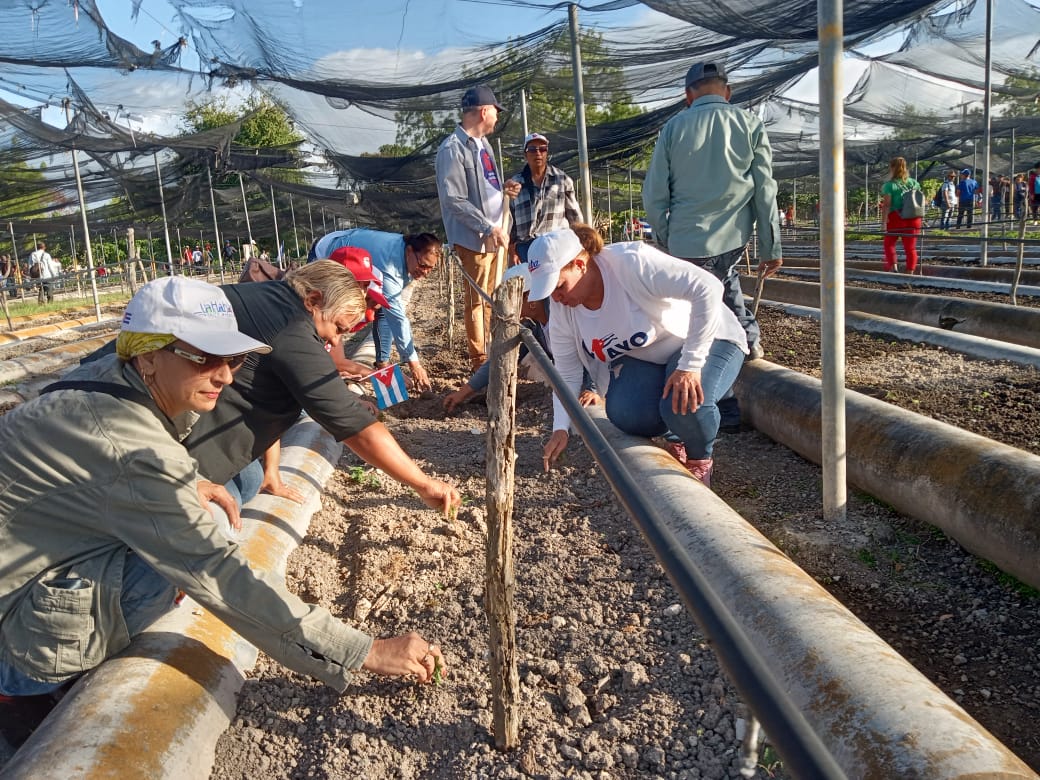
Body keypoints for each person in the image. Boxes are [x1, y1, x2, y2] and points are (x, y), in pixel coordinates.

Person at [0, 276, 445, 707]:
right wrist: (364, 650)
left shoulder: (104, 379)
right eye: (204, 358)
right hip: (14, 639)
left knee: (201, 505)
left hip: (23, 571)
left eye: (233, 360)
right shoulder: (137, 452)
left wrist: (189, 480)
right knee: (191, 548)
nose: (226, 377)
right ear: (148, 356)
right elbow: (218, 575)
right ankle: (30, 688)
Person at [177, 261, 460, 514]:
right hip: (178, 449)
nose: (336, 343)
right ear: (313, 300)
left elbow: (266, 389)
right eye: (338, 328)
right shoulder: (291, 327)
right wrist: (424, 484)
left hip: (179, 426)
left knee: (249, 478)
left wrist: (272, 471)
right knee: (215, 513)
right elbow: (353, 424)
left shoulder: (271, 299)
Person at [531, 225, 748, 487]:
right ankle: (677, 436)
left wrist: (690, 365)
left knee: (685, 404)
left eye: (559, 286)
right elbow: (566, 372)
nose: (556, 297)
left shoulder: (631, 264)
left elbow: (708, 287)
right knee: (625, 412)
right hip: (650, 357)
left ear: (579, 264)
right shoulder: (563, 306)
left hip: (705, 338)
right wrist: (560, 428)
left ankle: (699, 460)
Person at [642, 61, 783, 365]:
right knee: (724, 283)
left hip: (685, 241)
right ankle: (745, 343)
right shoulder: (750, 124)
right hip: (731, 239)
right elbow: (765, 191)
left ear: (688, 96)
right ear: (728, 92)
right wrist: (771, 247)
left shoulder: (673, 129)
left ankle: (703, 355)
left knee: (693, 303)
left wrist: (666, 239)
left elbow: (654, 195)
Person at [442, 265, 600, 413]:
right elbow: (499, 358)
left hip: (598, 383)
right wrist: (463, 393)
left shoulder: (564, 313)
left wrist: (592, 389)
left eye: (512, 300)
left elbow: (594, 351)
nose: (508, 307)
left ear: (530, 298)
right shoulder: (532, 326)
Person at [435, 84, 509, 371]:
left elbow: (489, 186)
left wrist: (505, 194)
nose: (497, 117)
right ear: (483, 111)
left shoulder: (484, 146)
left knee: (493, 299)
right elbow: (453, 199)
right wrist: (487, 227)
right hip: (474, 239)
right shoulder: (452, 149)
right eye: (495, 111)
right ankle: (480, 363)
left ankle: (493, 353)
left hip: (494, 237)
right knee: (477, 301)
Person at [309, 229, 441, 391]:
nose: (426, 273)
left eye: (430, 268)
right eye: (369, 302)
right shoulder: (318, 310)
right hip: (327, 249)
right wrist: (412, 366)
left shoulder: (403, 262)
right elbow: (338, 363)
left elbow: (391, 312)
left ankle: (381, 363)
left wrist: (383, 372)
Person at [508, 132, 582, 263]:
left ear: (547, 153)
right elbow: (510, 222)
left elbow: (575, 218)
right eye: (532, 149)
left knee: (557, 282)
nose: (538, 153)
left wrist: (582, 245)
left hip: (556, 245)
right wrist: (512, 250)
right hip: (526, 248)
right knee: (530, 283)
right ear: (525, 154)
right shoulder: (515, 183)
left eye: (542, 149)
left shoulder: (562, 180)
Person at [879, 156, 923, 274]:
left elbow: (887, 205)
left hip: (896, 218)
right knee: (910, 247)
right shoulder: (914, 183)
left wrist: (883, 222)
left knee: (889, 243)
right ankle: (910, 271)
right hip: (914, 218)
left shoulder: (889, 185)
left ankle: (894, 268)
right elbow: (921, 200)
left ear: (893, 168)